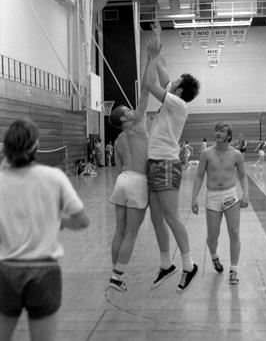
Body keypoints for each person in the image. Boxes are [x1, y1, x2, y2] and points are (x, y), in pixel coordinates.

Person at [0, 118, 90, 341]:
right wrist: (57, 220)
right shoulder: (54, 177)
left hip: (6, 271)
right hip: (45, 273)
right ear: (35, 146)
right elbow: (82, 220)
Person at [145, 22, 200, 293]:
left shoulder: (177, 104)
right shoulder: (174, 96)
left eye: (176, 82)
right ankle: (166, 264)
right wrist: (157, 41)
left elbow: (149, 82)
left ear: (178, 91)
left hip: (166, 163)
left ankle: (189, 265)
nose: (173, 80)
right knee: (156, 217)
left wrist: (153, 56)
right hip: (154, 161)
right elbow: (161, 68)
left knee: (171, 216)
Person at [107, 41, 156, 292]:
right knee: (131, 235)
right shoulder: (137, 125)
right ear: (125, 117)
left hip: (122, 181)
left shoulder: (117, 140)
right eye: (128, 109)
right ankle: (117, 276)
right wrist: (151, 58)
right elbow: (146, 90)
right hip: (136, 181)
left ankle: (116, 272)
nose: (131, 108)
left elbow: (116, 170)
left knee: (119, 231)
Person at [191, 122, 249, 285]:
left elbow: (243, 176)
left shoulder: (237, 154)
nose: (218, 133)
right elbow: (199, 176)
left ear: (229, 135)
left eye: (222, 131)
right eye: (216, 130)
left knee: (235, 232)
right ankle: (215, 257)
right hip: (212, 197)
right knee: (212, 237)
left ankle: (233, 269)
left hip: (231, 195)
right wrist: (194, 197)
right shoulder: (206, 153)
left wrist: (246, 194)